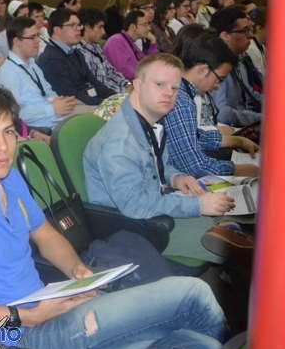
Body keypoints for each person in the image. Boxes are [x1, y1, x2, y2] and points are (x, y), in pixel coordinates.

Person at [0, 81, 228, 349]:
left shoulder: (7, 177)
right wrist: (26, 317)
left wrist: (78, 272)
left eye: (9, 132)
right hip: (21, 340)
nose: (3, 147)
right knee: (193, 294)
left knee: (198, 348)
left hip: (51, 311)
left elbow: (45, 234)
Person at [84, 53, 238, 262]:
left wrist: (176, 178)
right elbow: (135, 206)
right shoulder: (119, 143)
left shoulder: (150, 122)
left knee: (233, 225)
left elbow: (158, 165)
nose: (168, 93)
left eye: (174, 88)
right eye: (159, 84)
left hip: (155, 211)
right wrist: (198, 206)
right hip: (135, 229)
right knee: (234, 248)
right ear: (138, 85)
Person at [163, 33, 260, 178]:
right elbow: (195, 167)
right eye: (219, 79)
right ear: (203, 69)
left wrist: (236, 140)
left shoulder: (180, 88)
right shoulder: (180, 101)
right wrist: (238, 170)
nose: (217, 86)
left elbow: (193, 136)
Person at [0, 17, 76, 133]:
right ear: (16, 41)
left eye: (38, 35)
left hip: (56, 120)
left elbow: (48, 91)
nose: (38, 41)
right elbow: (13, 114)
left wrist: (62, 101)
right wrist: (52, 109)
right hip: (40, 130)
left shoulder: (32, 64)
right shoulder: (8, 73)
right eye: (32, 37)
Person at [37, 8, 113, 106]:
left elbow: (94, 82)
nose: (79, 29)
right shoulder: (51, 59)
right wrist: (104, 103)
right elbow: (69, 94)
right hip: (75, 108)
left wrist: (115, 97)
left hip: (90, 102)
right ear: (57, 30)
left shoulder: (75, 52)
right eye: (72, 25)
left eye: (79, 25)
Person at [208, 7, 263, 129]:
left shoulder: (243, 58)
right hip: (234, 129)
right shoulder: (217, 66)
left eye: (250, 29)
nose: (251, 35)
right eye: (245, 31)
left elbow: (252, 93)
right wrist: (260, 117)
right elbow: (223, 114)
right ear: (225, 35)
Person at [76, 8, 130, 94]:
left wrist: (127, 84)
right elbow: (93, 85)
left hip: (117, 92)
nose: (103, 32)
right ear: (87, 27)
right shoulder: (79, 52)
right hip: (105, 96)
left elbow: (111, 72)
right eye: (100, 27)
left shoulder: (96, 47)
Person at [103, 10, 159, 80]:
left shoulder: (130, 43)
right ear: (133, 27)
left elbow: (147, 63)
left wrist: (153, 43)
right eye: (145, 24)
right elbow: (124, 72)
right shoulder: (116, 41)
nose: (149, 28)